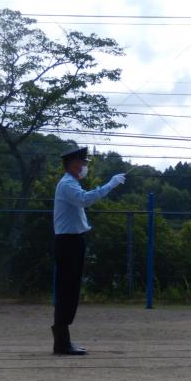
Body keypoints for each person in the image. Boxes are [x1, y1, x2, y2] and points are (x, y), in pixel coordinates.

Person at [52, 146, 126, 355]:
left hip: (71, 241)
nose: (85, 167)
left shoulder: (70, 183)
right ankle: (61, 342)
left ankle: (62, 340)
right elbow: (85, 199)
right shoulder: (68, 184)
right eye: (83, 163)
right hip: (69, 242)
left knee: (69, 290)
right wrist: (110, 185)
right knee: (67, 290)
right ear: (74, 164)